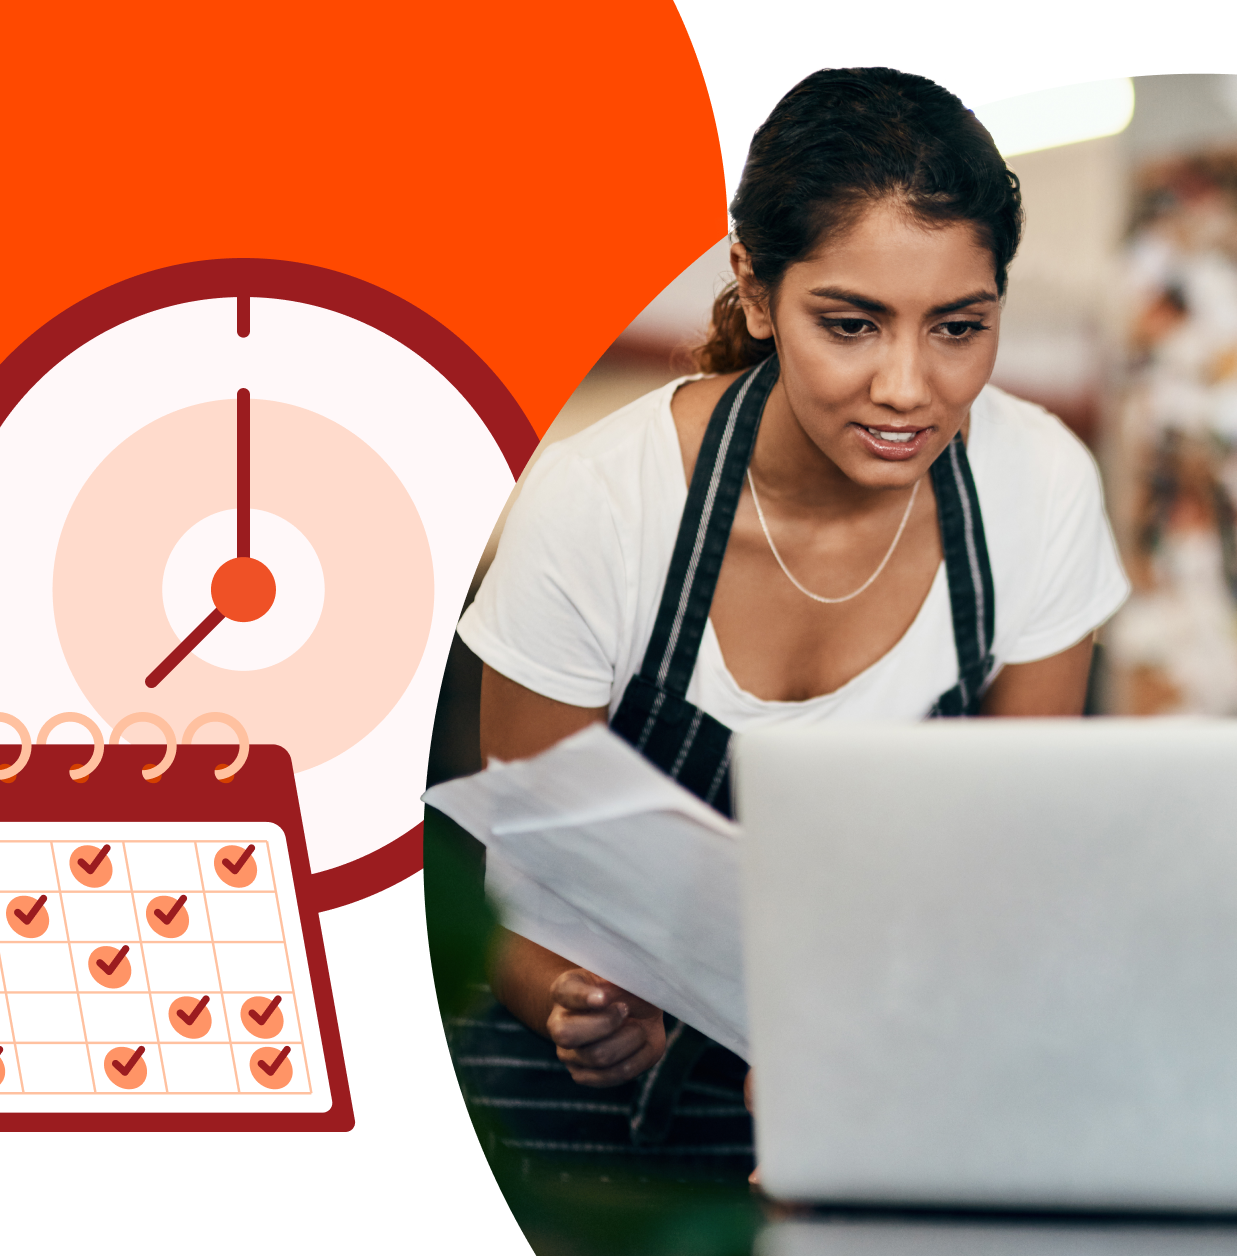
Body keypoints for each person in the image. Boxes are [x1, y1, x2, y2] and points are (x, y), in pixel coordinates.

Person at [447, 67, 1129, 1179]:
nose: (909, 386)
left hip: (896, 1082)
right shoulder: (601, 507)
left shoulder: (1038, 485)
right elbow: (525, 902)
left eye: (959, 326)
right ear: (758, 295)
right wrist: (580, 1000)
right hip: (593, 1144)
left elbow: (1017, 868)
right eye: (851, 324)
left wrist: (867, 1051)